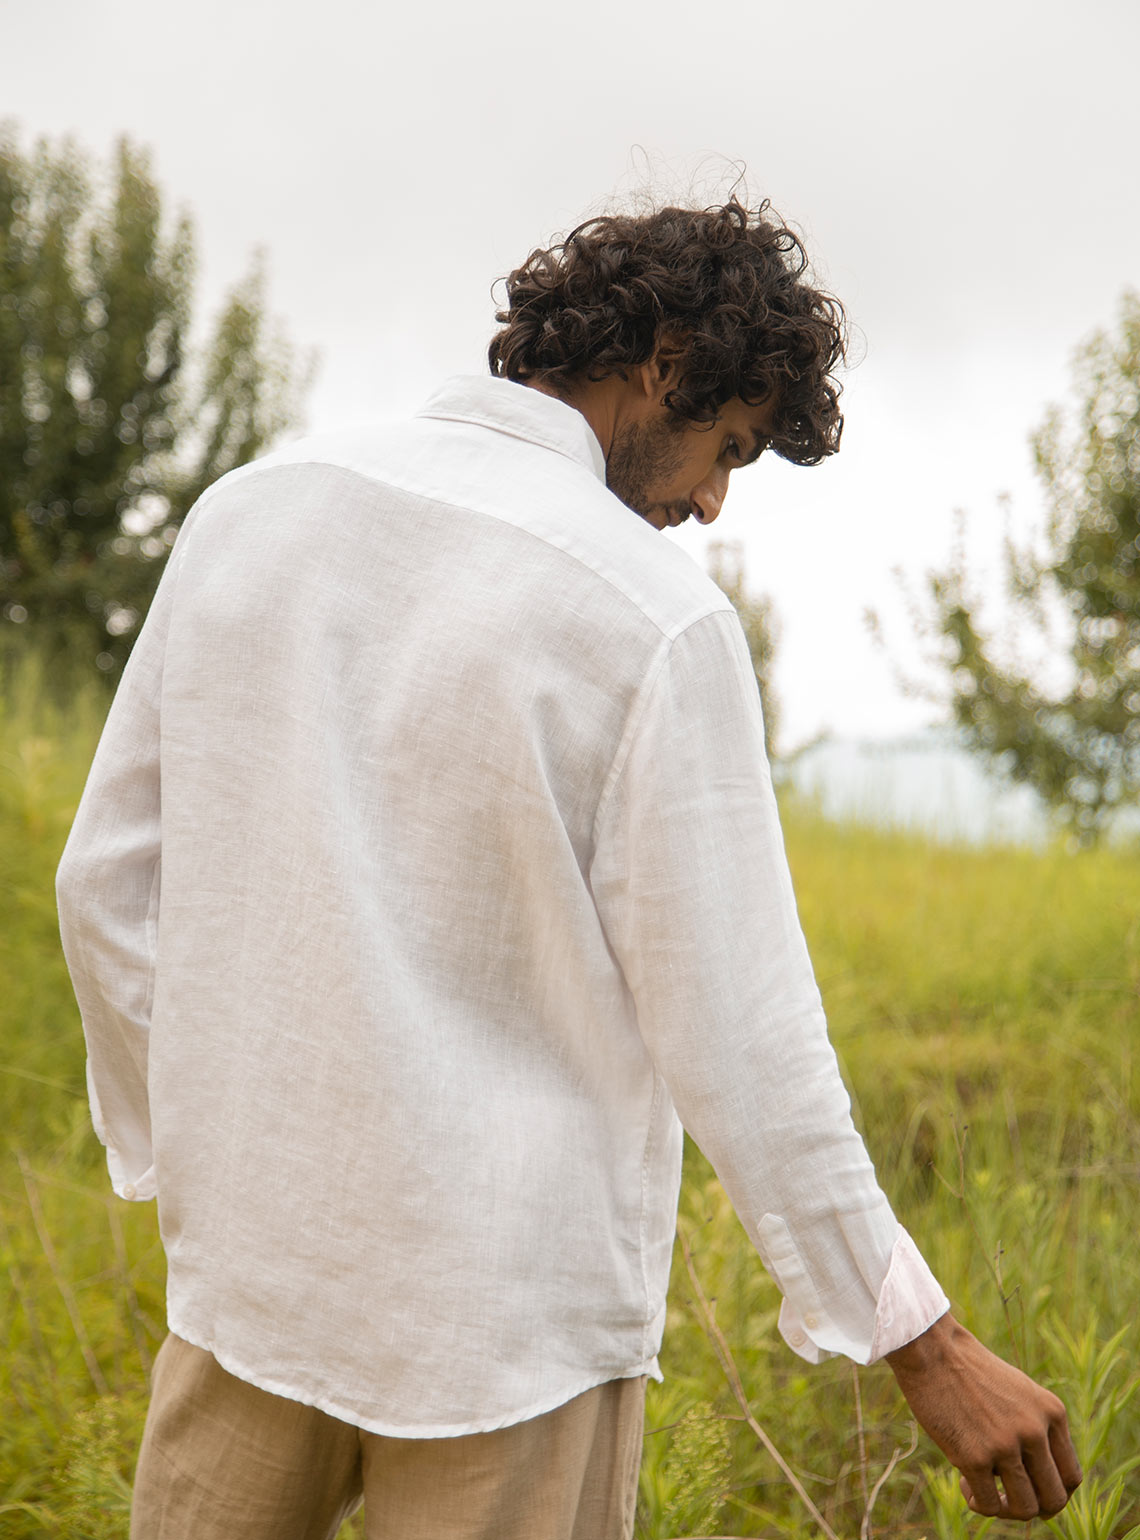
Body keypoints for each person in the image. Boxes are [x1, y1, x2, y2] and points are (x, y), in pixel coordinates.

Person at [56, 197, 1081, 1539]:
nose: (710, 501)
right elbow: (743, 1034)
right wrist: (927, 1349)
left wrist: (206, 1158)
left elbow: (105, 886)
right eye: (728, 446)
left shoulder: (251, 512)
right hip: (512, 1339)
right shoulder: (652, 621)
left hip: (252, 1289)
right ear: (666, 360)